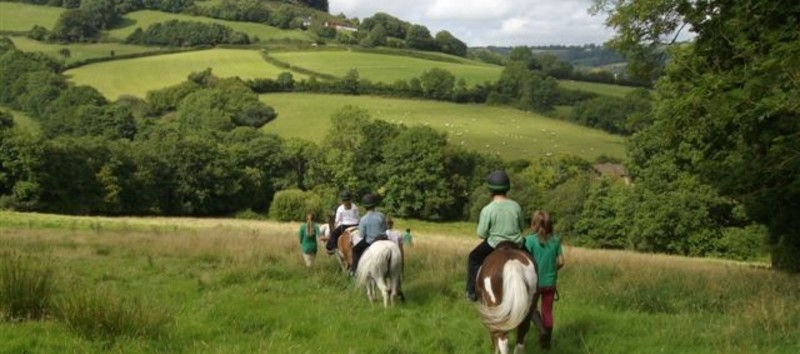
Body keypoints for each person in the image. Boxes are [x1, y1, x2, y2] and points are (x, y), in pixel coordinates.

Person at [465, 170, 526, 302]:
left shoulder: (488, 209)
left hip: (494, 245)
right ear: (507, 188)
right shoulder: (516, 206)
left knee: (473, 257)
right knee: (533, 260)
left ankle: (471, 292)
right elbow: (521, 227)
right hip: (516, 244)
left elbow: (481, 233)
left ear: (490, 189)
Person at [523, 210, 565, 350]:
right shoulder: (556, 240)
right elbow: (561, 262)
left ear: (534, 223)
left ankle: (541, 329)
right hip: (550, 282)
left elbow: (524, 260)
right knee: (547, 311)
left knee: (531, 308)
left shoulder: (530, 240)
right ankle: (546, 344)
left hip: (534, 283)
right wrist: (552, 270)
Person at [350, 193, 387, 277]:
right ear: (375, 205)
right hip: (384, 239)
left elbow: (362, 235)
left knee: (355, 250)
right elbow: (385, 228)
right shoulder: (381, 215)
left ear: (364, 207)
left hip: (370, 242)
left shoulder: (363, 219)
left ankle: (354, 270)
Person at [385, 217, 406, 301]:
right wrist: (402, 257)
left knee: (387, 275)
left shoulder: (384, 233)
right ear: (392, 224)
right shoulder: (398, 233)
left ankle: (390, 290)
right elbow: (401, 247)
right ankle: (398, 290)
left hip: (387, 255)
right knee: (396, 275)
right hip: (397, 254)